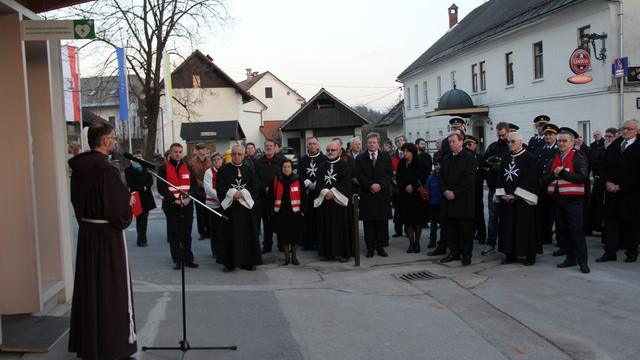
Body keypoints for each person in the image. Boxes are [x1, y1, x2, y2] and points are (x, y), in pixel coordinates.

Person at [68, 122, 137, 360]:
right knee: (111, 291)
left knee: (91, 290)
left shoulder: (79, 168)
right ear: (105, 141)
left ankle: (92, 344)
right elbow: (118, 212)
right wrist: (126, 203)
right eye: (114, 138)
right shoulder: (106, 171)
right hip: (107, 239)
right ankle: (112, 345)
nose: (116, 141)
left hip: (89, 234)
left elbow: (77, 203)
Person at [542, 128, 590, 273]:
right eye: (560, 141)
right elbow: (544, 179)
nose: (561, 144)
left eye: (564, 141)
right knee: (564, 231)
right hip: (558, 200)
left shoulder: (578, 157)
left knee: (576, 230)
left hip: (573, 200)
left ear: (572, 143)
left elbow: (582, 178)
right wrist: (554, 176)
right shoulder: (553, 158)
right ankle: (570, 258)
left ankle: (583, 261)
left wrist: (563, 173)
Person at [596, 119, 640, 263]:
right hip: (612, 192)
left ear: (637, 131)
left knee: (630, 224)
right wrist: (607, 182)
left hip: (630, 192)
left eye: (629, 129)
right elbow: (603, 166)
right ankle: (610, 251)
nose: (625, 131)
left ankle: (631, 252)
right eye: (623, 128)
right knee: (611, 222)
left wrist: (622, 186)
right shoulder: (615, 145)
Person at [495, 132, 540, 266]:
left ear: (520, 142)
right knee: (508, 227)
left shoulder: (530, 158)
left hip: (523, 201)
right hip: (506, 199)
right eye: (508, 142)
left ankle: (529, 255)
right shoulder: (505, 158)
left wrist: (516, 195)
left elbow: (531, 179)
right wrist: (502, 193)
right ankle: (510, 254)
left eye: (512, 141)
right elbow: (500, 177)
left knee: (524, 227)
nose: (509, 144)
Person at [216, 144, 262, 271]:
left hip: (245, 208)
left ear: (244, 155)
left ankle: (248, 262)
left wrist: (243, 193)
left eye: (239, 154)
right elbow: (220, 186)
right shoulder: (223, 170)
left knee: (247, 235)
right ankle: (229, 263)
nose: (236, 156)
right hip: (230, 209)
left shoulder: (249, 169)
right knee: (229, 235)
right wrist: (232, 193)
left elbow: (255, 186)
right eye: (234, 154)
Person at [157, 143, 199, 270]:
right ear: (170, 152)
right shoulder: (164, 167)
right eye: (175, 152)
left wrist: (188, 198)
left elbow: (194, 185)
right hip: (172, 205)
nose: (178, 154)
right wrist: (174, 200)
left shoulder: (188, 166)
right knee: (175, 233)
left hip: (187, 205)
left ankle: (188, 259)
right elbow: (161, 187)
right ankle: (177, 260)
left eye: (180, 152)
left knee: (187, 233)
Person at [438, 132, 476, 265]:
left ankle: (466, 254)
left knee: (465, 229)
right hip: (449, 199)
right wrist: (445, 191)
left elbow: (468, 179)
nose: (451, 144)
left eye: (453, 141)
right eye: (449, 142)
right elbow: (441, 177)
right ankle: (454, 252)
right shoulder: (447, 158)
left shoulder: (469, 158)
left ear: (461, 142)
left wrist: (455, 192)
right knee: (451, 228)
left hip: (463, 199)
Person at [356, 133, 393, 258]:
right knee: (369, 224)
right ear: (367, 144)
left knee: (381, 223)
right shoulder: (360, 158)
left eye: (374, 142)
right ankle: (370, 248)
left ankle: (380, 247)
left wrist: (380, 185)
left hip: (382, 194)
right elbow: (359, 175)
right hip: (368, 194)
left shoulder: (386, 157)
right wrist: (370, 185)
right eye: (370, 142)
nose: (372, 144)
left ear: (378, 144)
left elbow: (389, 175)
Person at [315, 141, 354, 262]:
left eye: (333, 150)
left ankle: (343, 253)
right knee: (326, 228)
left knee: (341, 229)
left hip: (339, 203)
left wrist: (333, 192)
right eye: (328, 150)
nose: (330, 152)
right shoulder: (321, 166)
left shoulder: (345, 165)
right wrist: (325, 191)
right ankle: (327, 253)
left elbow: (346, 182)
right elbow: (319, 181)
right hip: (326, 201)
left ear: (339, 151)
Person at [480, 122, 510, 255]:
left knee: (507, 218)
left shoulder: (512, 146)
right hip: (494, 188)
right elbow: (483, 165)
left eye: (503, 135)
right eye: (499, 135)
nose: (501, 138)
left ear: (508, 132)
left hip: (508, 189)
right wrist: (490, 164)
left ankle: (507, 244)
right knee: (493, 217)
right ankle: (490, 243)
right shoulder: (493, 147)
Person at [269, 159, 307, 266]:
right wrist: (271, 211)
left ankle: (294, 257)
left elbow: (304, 197)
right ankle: (286, 258)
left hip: (295, 213)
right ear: (281, 168)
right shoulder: (276, 180)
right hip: (281, 213)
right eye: (284, 167)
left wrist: (303, 211)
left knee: (295, 237)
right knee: (284, 237)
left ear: (292, 168)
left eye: (288, 167)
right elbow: (271, 197)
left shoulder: (298, 179)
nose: (286, 169)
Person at [395, 142, 428, 253]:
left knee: (417, 221)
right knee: (408, 221)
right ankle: (411, 243)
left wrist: (413, 186)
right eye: (403, 151)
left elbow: (423, 177)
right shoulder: (401, 164)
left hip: (417, 195)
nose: (405, 153)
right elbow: (398, 178)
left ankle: (417, 243)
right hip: (405, 195)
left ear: (412, 152)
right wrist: (405, 186)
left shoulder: (420, 163)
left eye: (407, 151)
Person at [298, 137, 327, 250]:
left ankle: (319, 241)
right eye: (310, 144)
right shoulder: (302, 159)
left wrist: (316, 184)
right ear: (306, 146)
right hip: (307, 193)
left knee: (319, 217)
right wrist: (308, 184)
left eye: (314, 144)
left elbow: (325, 173)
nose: (312, 146)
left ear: (318, 146)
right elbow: (300, 174)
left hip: (320, 192)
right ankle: (308, 242)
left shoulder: (324, 158)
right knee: (308, 217)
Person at [254, 139, 283, 253]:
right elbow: (255, 179)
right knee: (266, 222)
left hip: (279, 196)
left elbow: (285, 176)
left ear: (275, 147)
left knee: (280, 221)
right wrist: (264, 188)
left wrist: (276, 188)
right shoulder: (258, 162)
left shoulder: (281, 161)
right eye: (266, 146)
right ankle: (267, 245)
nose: (269, 147)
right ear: (264, 147)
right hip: (264, 196)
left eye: (271, 145)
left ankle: (281, 244)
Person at [535, 123, 560, 251]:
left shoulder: (558, 149)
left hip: (554, 185)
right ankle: (545, 235)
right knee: (543, 211)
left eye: (550, 134)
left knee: (556, 212)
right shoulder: (540, 148)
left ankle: (560, 238)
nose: (547, 136)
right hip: (542, 184)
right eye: (546, 134)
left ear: (555, 136)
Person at [125, 148, 157, 247]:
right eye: (137, 157)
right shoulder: (128, 170)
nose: (139, 159)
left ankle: (142, 239)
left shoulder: (145, 168)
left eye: (140, 157)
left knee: (144, 218)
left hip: (146, 195)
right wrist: (140, 188)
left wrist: (146, 187)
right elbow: (130, 183)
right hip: (136, 195)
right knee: (139, 217)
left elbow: (150, 180)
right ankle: (141, 237)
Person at [465, 135, 486, 244]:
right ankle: (470, 233)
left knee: (479, 213)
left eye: (470, 144)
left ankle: (482, 235)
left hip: (476, 189)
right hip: (466, 190)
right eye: (466, 144)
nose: (467, 146)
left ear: (475, 145)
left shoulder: (480, 158)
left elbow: (482, 173)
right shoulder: (464, 157)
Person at [203, 152, 225, 257]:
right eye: (214, 159)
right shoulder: (209, 172)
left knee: (223, 229)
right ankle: (215, 252)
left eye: (218, 159)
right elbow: (208, 188)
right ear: (212, 162)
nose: (217, 161)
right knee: (214, 229)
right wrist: (221, 197)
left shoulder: (225, 170)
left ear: (222, 160)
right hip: (213, 204)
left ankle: (223, 249)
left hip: (225, 204)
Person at [188, 143, 211, 240]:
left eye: (205, 149)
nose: (203, 151)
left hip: (208, 190)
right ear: (197, 151)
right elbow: (191, 176)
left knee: (209, 211)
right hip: (198, 191)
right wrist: (200, 184)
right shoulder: (191, 162)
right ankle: (202, 232)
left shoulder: (209, 161)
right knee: (200, 212)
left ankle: (209, 231)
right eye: (201, 149)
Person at [390, 135, 407, 238]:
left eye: (401, 140)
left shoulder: (409, 154)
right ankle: (398, 230)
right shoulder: (392, 155)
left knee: (407, 209)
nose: (400, 142)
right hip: (395, 186)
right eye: (398, 141)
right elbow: (389, 170)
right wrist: (393, 180)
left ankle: (407, 230)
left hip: (407, 186)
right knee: (397, 210)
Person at [426, 160, 444, 251]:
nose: (438, 167)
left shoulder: (445, 175)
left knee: (444, 224)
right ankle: (432, 240)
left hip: (442, 203)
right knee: (433, 223)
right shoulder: (431, 176)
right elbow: (427, 188)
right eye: (436, 165)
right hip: (433, 203)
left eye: (439, 164)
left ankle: (443, 241)